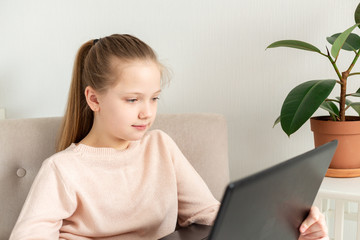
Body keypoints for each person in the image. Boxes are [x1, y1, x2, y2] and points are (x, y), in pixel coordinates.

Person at [10, 34, 328, 240]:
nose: (147, 113)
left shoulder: (160, 146)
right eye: (132, 100)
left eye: (154, 98)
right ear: (94, 99)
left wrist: (287, 223)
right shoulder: (63, 170)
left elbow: (209, 214)